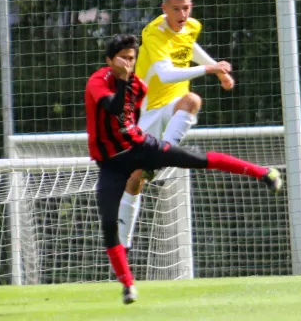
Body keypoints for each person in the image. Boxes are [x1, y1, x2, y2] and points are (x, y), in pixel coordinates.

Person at [85, 34, 282, 304]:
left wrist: (147, 150)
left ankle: (263, 173)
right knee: (108, 223)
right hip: (110, 164)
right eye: (122, 58)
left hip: (140, 149)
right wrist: (124, 81)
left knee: (196, 159)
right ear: (109, 61)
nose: (128, 63)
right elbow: (114, 106)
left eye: (132, 58)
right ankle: (128, 286)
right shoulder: (98, 82)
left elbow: (132, 120)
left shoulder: (138, 86)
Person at [117, 0, 235, 252]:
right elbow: (166, 74)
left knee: (192, 100)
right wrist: (210, 69)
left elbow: (188, 47)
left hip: (172, 103)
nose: (182, 14)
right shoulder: (154, 33)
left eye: (186, 7)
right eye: (175, 9)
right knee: (135, 178)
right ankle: (122, 246)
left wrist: (219, 72)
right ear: (164, 9)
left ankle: (164, 154)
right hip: (145, 111)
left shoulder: (192, 26)